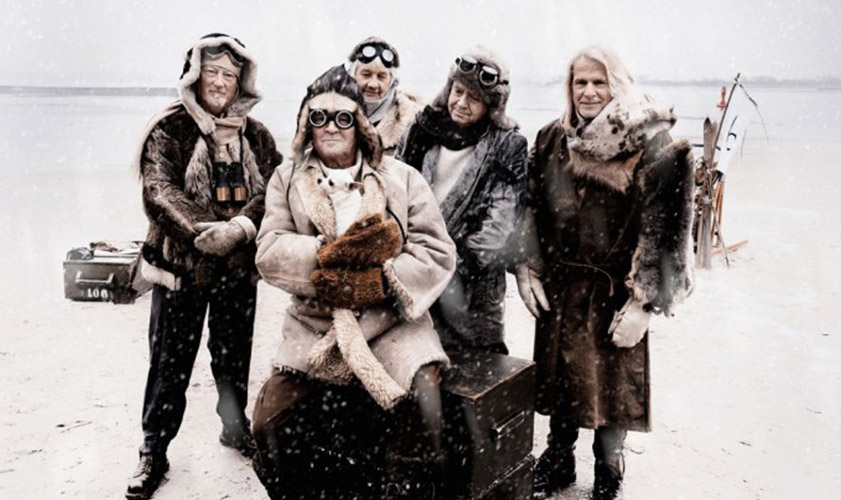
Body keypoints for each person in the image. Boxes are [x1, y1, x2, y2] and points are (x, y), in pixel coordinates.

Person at [251, 65, 456, 500]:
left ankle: (401, 491)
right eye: (319, 117)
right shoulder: (287, 179)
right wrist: (324, 259)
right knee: (270, 423)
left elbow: (437, 252)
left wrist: (380, 281)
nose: (331, 127)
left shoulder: (402, 178)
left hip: (392, 323)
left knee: (426, 399)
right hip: (315, 325)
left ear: (360, 124)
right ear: (306, 124)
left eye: (342, 117)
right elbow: (269, 250)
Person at [515, 46, 695, 500]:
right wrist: (527, 267)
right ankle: (558, 459)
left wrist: (646, 302)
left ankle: (608, 469)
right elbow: (530, 208)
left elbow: (666, 230)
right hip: (561, 283)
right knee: (561, 377)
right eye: (581, 82)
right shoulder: (551, 139)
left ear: (618, 85)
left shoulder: (649, 143)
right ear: (569, 86)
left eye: (600, 82)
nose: (589, 92)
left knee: (612, 387)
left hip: (616, 289)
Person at [126, 33, 282, 500]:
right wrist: (204, 234)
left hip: (238, 267)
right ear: (193, 77)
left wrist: (240, 229)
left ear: (241, 82)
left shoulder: (257, 135)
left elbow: (276, 189)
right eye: (211, 72)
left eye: (229, 75)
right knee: (169, 364)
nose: (219, 82)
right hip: (180, 269)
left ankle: (234, 429)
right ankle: (154, 449)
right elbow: (159, 191)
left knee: (234, 358)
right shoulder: (168, 128)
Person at [396, 46, 527, 355]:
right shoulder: (422, 128)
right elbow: (395, 190)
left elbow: (501, 221)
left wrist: (453, 267)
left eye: (475, 98)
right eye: (458, 91)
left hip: (473, 287)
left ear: (492, 105)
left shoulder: (508, 145)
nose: (462, 103)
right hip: (414, 269)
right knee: (413, 359)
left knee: (475, 368)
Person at [347, 36, 423, 156]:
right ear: (352, 76)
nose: (373, 84)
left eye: (381, 76)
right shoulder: (329, 117)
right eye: (366, 74)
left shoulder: (412, 122)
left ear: (392, 81)